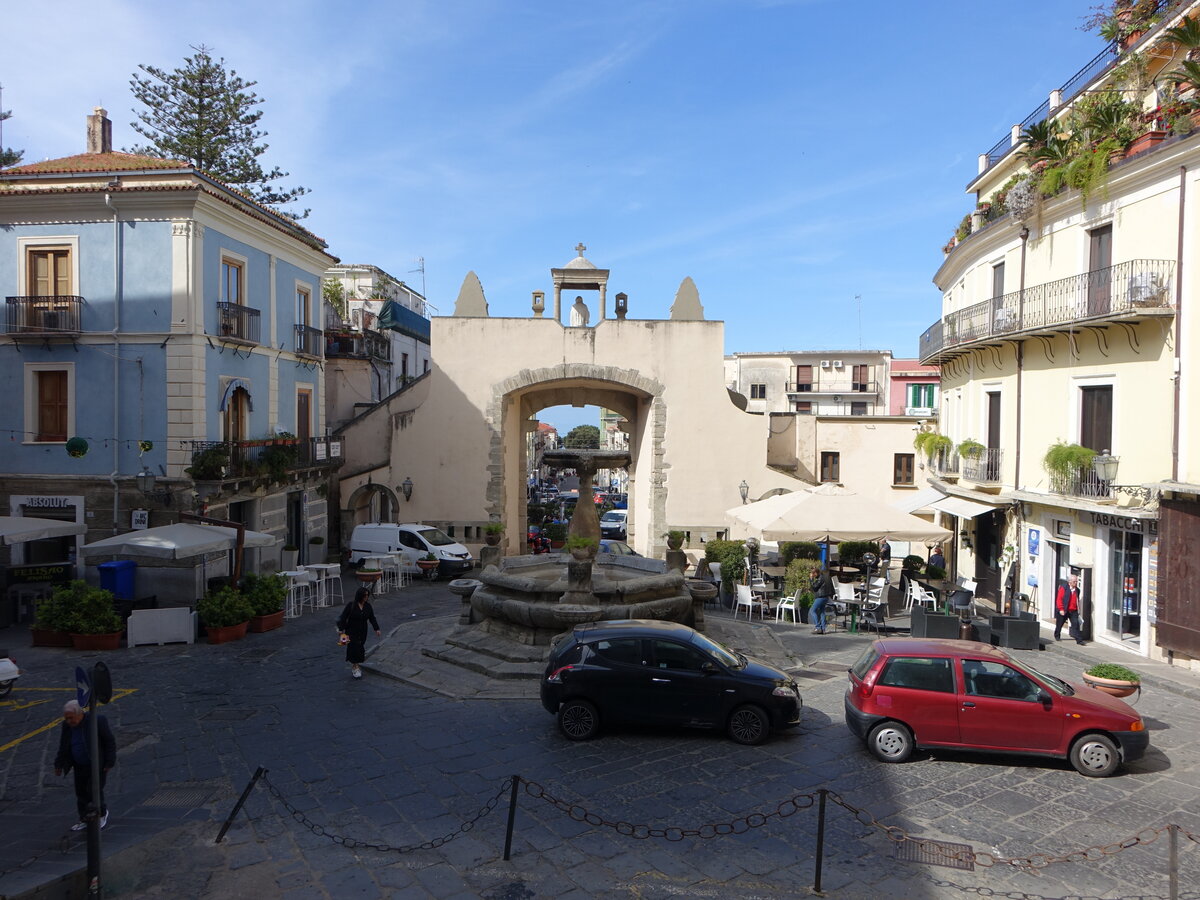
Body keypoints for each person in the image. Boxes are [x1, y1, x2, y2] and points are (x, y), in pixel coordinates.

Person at [54, 699, 116, 831]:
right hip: (79, 764)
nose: (69, 721)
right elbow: (63, 744)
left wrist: (110, 761)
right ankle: (84, 818)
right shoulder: (67, 726)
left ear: (80, 714)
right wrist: (59, 764)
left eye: (71, 718)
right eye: (67, 718)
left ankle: (101, 814)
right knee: (81, 792)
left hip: (97, 764)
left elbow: (109, 741)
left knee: (94, 790)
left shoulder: (97, 721)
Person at [337, 587, 382, 679]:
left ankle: (355, 664)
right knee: (353, 647)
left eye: (367, 595)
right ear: (360, 596)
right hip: (351, 630)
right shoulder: (351, 605)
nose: (366, 597)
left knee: (360, 647)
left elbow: (372, 618)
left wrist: (376, 629)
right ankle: (356, 666)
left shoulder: (368, 606)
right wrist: (341, 629)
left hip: (362, 631)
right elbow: (343, 617)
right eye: (364, 595)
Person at [1055, 572, 1084, 645]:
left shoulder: (1077, 590)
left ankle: (1079, 640)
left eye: (1077, 581)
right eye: (1074, 581)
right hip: (1064, 609)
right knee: (1059, 624)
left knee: (1076, 624)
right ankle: (1057, 635)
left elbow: (1077, 600)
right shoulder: (1063, 588)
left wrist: (1078, 610)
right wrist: (1061, 609)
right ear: (1069, 582)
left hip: (1073, 610)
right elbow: (1059, 599)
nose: (1076, 583)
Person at [809, 565, 835, 635]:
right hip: (826, 597)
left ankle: (818, 627)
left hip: (821, 597)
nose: (812, 575)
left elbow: (814, 587)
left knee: (812, 610)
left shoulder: (821, 578)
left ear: (816, 573)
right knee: (822, 612)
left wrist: (811, 579)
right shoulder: (825, 577)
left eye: (813, 573)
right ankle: (823, 629)